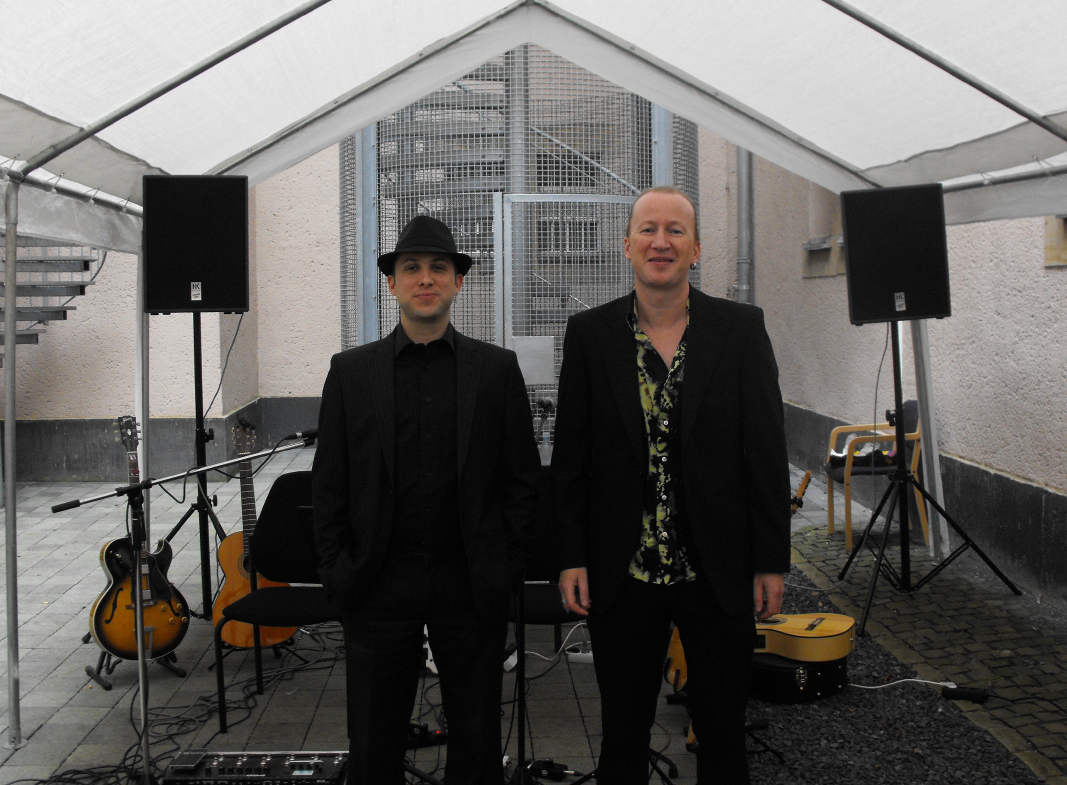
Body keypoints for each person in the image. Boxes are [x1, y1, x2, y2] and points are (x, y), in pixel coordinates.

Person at [553, 186, 792, 784]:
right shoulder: (589, 334)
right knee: (622, 737)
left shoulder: (740, 329)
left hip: (716, 571)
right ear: (627, 246)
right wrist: (570, 556)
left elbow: (765, 453)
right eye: (648, 229)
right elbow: (571, 459)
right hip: (622, 574)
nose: (661, 242)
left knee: (723, 737)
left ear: (696, 249)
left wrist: (771, 561)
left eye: (676, 230)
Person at [311, 214, 540, 785]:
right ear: (392, 283)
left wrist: (507, 566)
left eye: (439, 267)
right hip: (378, 579)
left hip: (469, 578)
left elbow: (521, 479)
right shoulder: (350, 372)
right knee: (373, 739)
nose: (426, 278)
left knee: (477, 737)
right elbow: (330, 481)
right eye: (411, 268)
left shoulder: (497, 370)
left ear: (458, 281)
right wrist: (339, 571)